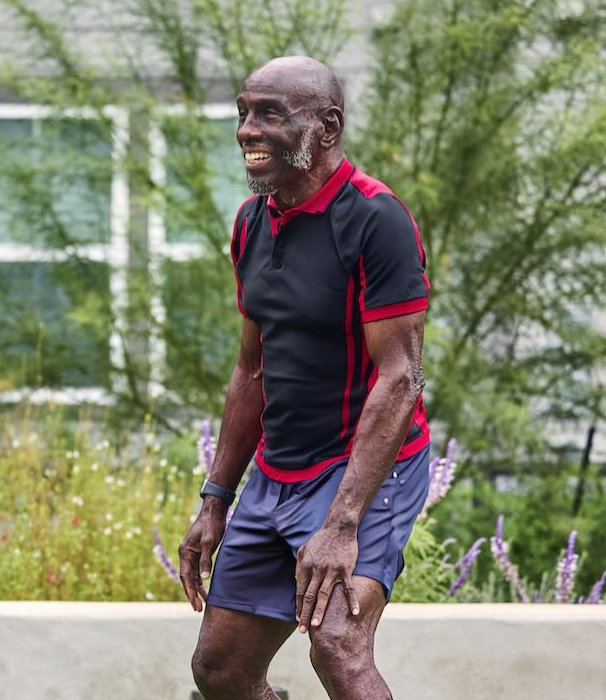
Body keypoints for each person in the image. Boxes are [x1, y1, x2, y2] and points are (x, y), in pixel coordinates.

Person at [177, 55, 432, 700]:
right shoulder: (250, 223)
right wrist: (216, 499)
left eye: (270, 114)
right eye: (243, 113)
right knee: (221, 670)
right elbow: (252, 369)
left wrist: (342, 522)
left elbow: (401, 379)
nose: (247, 130)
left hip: (364, 469)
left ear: (327, 126)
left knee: (338, 644)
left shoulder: (376, 219)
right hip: (277, 473)